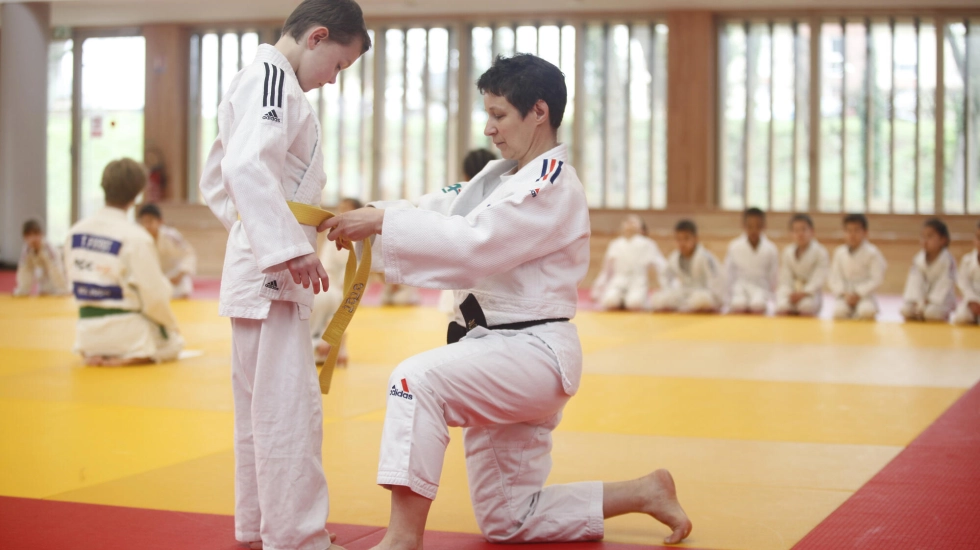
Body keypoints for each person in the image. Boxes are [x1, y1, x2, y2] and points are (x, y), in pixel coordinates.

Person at [322, 53, 692, 549]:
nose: (489, 128)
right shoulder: (499, 177)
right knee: (509, 519)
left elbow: (479, 241)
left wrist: (384, 224)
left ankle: (401, 539)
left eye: (499, 115)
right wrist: (370, 213)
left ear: (538, 111)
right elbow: (438, 207)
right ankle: (645, 491)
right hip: (492, 352)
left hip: (531, 353)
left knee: (415, 382)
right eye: (488, 114)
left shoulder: (551, 183)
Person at [197, 0, 370, 548]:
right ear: (317, 37)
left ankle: (259, 528)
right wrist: (285, 248)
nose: (333, 80)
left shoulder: (261, 80)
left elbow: (217, 179)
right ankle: (297, 538)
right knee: (287, 410)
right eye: (339, 66)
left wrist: (257, 236)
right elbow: (244, 168)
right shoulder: (272, 79)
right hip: (272, 273)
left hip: (260, 268)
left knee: (259, 412)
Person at [66, 158, 184, 366]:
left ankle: (96, 353)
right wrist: (171, 325)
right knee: (175, 343)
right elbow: (154, 296)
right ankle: (131, 355)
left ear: (104, 187)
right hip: (128, 333)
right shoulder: (136, 237)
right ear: (137, 193)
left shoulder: (74, 233)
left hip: (86, 333)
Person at [438, 149, 499, 319]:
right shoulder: (504, 201)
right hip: (496, 283)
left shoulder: (455, 203)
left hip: (461, 278)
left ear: (464, 175)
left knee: (457, 326)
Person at [311, 197, 361, 364]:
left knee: (331, 312)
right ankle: (326, 345)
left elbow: (360, 268)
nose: (343, 212)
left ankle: (323, 344)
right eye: (341, 208)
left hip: (348, 287)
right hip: (328, 284)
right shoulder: (333, 233)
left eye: (347, 208)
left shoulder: (362, 236)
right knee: (321, 308)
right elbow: (325, 263)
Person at [591, 215, 665, 311]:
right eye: (627, 221)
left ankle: (631, 299)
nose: (630, 224)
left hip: (638, 282)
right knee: (610, 301)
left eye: (634, 222)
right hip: (618, 281)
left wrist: (669, 287)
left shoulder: (648, 244)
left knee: (634, 303)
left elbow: (661, 266)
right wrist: (597, 289)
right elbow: (606, 271)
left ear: (641, 227)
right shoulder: (615, 244)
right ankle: (620, 299)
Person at [650, 220, 724, 313]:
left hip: (702, 292)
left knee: (701, 300)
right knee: (657, 300)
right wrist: (669, 289)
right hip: (684, 292)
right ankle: (685, 306)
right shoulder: (674, 257)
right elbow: (665, 276)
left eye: (686, 239)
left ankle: (687, 306)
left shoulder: (706, 257)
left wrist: (716, 299)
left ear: (695, 238)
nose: (682, 243)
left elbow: (716, 280)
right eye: (678, 239)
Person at [828, 213, 887, 321]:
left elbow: (876, 278)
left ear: (865, 232)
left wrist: (858, 293)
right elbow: (834, 277)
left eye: (856, 230)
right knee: (838, 312)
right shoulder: (839, 252)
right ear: (844, 233)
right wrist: (844, 293)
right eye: (848, 231)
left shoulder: (872, 253)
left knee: (866, 312)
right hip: (845, 296)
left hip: (865, 295)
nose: (852, 234)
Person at [900, 218, 957, 322]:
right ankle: (921, 309)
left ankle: (939, 312)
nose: (925, 241)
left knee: (931, 313)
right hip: (921, 300)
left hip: (941, 301)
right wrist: (917, 301)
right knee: (906, 310)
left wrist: (929, 301)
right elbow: (914, 282)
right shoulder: (918, 259)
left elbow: (944, 284)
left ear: (943, 240)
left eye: (930, 236)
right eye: (923, 237)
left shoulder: (948, 261)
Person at [724, 207, 779, 314]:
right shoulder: (734, 246)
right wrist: (729, 296)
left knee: (758, 305)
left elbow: (773, 276)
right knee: (738, 305)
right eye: (750, 226)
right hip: (739, 288)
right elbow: (729, 273)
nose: (754, 230)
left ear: (764, 226)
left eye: (758, 226)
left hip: (761, 288)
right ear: (744, 226)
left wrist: (771, 295)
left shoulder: (771, 249)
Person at [137, 204, 198, 299]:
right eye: (144, 222)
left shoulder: (171, 235)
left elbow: (188, 254)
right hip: (154, 277)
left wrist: (180, 274)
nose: (147, 225)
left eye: (150, 221)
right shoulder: (139, 237)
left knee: (183, 291)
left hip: (175, 275)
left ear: (160, 221)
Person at [775, 214, 829, 316]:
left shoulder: (820, 252)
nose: (800, 234)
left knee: (806, 306)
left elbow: (819, 278)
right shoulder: (787, 252)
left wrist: (803, 293)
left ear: (812, 231)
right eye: (796, 231)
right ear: (791, 233)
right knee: (782, 306)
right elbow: (785, 277)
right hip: (791, 292)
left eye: (804, 230)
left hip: (810, 294)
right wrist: (791, 293)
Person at [13, 219, 69, 297]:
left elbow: (56, 269)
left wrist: (63, 289)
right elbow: (24, 270)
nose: (33, 238)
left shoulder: (48, 248)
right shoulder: (26, 250)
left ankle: (64, 288)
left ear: (42, 234)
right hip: (42, 271)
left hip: (59, 268)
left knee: (55, 291)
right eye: (29, 235)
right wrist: (23, 290)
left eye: (36, 234)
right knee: (43, 292)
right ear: (24, 237)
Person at [952, 220, 980, 326]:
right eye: (978, 238)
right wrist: (972, 301)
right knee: (961, 316)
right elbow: (963, 283)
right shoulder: (967, 260)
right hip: (972, 301)